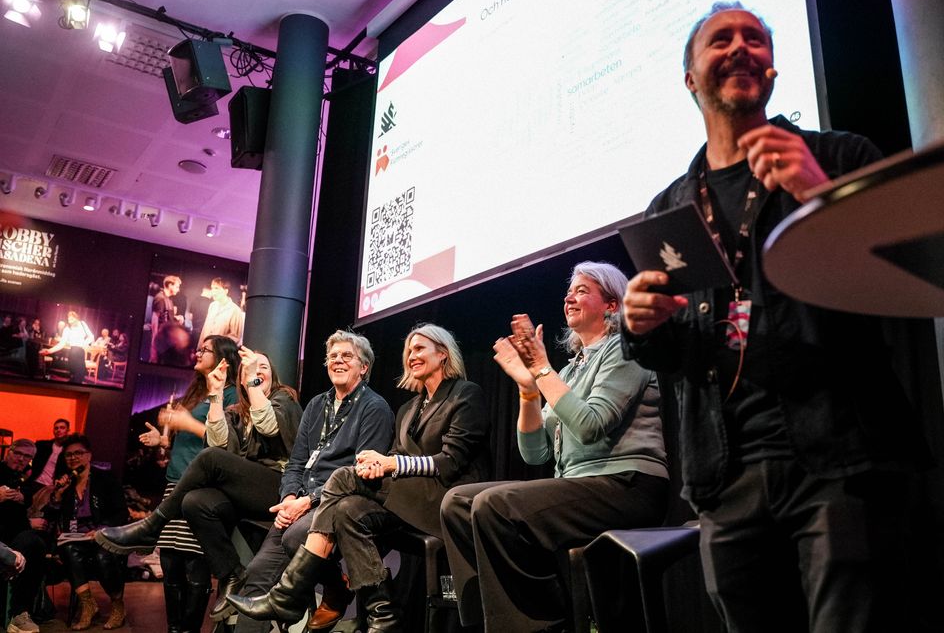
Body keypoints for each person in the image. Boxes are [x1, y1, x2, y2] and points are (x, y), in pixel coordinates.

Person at [620, 2, 927, 632]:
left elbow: (910, 275)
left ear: (773, 69)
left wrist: (820, 194)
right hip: (724, 475)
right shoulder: (670, 206)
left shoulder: (838, 156)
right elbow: (674, 354)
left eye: (754, 39)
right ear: (690, 78)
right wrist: (641, 325)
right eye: (721, 39)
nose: (740, 47)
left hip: (840, 460)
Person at [440, 261, 669, 632]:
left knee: (495, 506)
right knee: (457, 503)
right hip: (580, 485)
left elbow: (590, 426)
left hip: (629, 485)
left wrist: (542, 370)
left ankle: (541, 625)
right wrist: (528, 390)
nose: (569, 298)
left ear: (611, 305)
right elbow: (536, 454)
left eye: (582, 291)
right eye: (568, 292)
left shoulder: (627, 349)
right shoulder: (569, 371)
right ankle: (485, 622)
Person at [231, 323, 491, 632]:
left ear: (443, 354)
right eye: (408, 350)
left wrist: (390, 463)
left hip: (445, 502)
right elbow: (304, 461)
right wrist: (375, 466)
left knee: (343, 477)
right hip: (410, 499)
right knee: (346, 510)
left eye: (419, 348)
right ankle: (383, 614)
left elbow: (450, 462)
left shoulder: (464, 394)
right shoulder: (409, 408)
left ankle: (288, 595)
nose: (411, 355)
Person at [96, 341, 304, 622]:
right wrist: (215, 396)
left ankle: (152, 526)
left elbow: (268, 427)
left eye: (262, 367)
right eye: (250, 369)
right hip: (247, 491)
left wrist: (253, 379)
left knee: (209, 460)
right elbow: (218, 444)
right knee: (194, 502)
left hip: (280, 487)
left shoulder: (284, 399)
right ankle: (232, 572)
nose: (257, 372)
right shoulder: (237, 410)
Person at [219, 330, 395, 633]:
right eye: (333, 356)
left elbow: (361, 472)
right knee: (257, 573)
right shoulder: (316, 404)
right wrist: (289, 498)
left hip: (338, 502)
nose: (338, 361)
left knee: (294, 537)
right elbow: (296, 462)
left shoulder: (374, 407)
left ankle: (333, 589)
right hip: (300, 501)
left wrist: (307, 501)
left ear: (364, 367)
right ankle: (326, 590)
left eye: (347, 356)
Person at [134, 334, 236, 633]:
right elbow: (188, 439)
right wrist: (163, 440)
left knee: (193, 562)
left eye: (205, 350)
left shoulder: (230, 394)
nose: (198, 353)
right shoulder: (196, 392)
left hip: (202, 487)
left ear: (223, 358)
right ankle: (174, 629)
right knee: (170, 562)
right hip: (174, 482)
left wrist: (187, 423)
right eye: (199, 349)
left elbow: (226, 444)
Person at [46, 434, 130, 630]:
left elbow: (121, 512)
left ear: (89, 455)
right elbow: (50, 517)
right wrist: (57, 495)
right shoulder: (66, 484)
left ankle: (118, 605)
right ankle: (88, 605)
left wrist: (100, 530)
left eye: (78, 453)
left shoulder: (105, 479)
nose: (73, 458)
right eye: (68, 455)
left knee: (103, 556)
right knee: (68, 549)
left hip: (103, 537)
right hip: (76, 539)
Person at [1, 439, 47, 633]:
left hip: (16, 536)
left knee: (34, 542)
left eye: (27, 456)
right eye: (18, 453)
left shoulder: (25, 479)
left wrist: (23, 498)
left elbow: (25, 503)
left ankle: (19, 612)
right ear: (8, 451)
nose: (21, 459)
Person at [40, 311, 94, 383]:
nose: (70, 320)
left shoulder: (82, 324)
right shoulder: (67, 329)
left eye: (72, 317)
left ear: (76, 317)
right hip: (73, 352)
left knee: (80, 375)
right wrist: (49, 351)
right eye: (68, 318)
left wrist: (83, 343)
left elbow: (91, 337)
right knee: (76, 375)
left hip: (81, 352)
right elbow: (61, 344)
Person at [27, 418, 71, 499]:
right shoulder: (42, 445)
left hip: (52, 488)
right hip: (34, 483)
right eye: (56, 428)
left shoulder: (69, 451)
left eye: (62, 428)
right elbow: (26, 455)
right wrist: (28, 468)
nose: (58, 430)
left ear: (68, 430)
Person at [199, 277, 244, 344]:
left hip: (219, 350)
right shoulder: (212, 306)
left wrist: (216, 345)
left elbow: (235, 337)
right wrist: (200, 347)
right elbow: (205, 329)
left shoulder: (235, 310)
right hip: (205, 348)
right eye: (212, 288)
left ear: (226, 291)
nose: (213, 292)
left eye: (216, 288)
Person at [150, 275, 183, 362]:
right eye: (177, 287)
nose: (178, 290)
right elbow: (154, 323)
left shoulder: (168, 300)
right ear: (170, 285)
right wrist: (154, 347)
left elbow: (166, 318)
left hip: (166, 341)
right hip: (161, 342)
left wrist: (176, 318)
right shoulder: (160, 298)